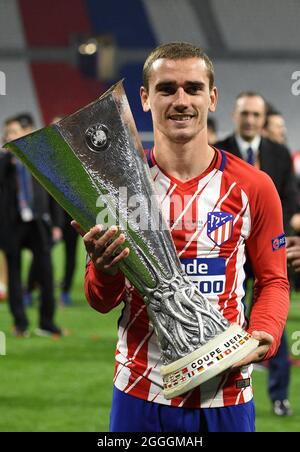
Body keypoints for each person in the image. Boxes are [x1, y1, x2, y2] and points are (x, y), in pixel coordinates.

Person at [74, 42, 289, 432]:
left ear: (212, 97)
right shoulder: (117, 191)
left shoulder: (254, 187)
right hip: (140, 390)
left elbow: (273, 280)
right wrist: (103, 271)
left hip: (225, 390)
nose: (181, 100)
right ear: (144, 98)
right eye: (166, 89)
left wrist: (265, 335)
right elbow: (100, 300)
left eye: (192, 88)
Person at [216, 93, 297, 416]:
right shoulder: (218, 152)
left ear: (263, 119)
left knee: (270, 322)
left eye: (255, 115)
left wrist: (277, 237)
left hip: (265, 249)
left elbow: (289, 199)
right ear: (234, 116)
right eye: (244, 113)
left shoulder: (279, 154)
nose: (250, 120)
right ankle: (217, 390)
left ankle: (279, 396)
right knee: (224, 321)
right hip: (228, 250)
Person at [0, 113, 63, 337]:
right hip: (11, 225)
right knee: (14, 276)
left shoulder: (39, 158)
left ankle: (47, 323)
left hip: (38, 224)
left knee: (46, 273)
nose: (11, 136)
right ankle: (21, 324)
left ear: (26, 133)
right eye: (8, 134)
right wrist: (7, 159)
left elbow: (52, 191)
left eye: (15, 132)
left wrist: (56, 223)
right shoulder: (3, 163)